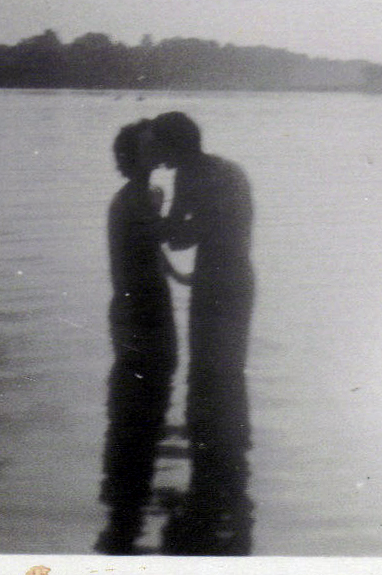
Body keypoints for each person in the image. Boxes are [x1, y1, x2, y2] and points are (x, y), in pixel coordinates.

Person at [146, 112, 255, 553]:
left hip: (214, 284)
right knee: (228, 377)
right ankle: (228, 472)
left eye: (159, 146)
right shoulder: (229, 170)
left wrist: (151, 221)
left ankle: (217, 469)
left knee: (205, 380)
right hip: (239, 279)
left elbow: (181, 238)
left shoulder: (190, 178)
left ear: (173, 148)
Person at [95, 119, 178, 554]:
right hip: (139, 309)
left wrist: (177, 273)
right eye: (148, 146)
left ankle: (125, 502)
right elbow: (158, 236)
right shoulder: (136, 200)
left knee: (139, 399)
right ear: (132, 155)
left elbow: (150, 248)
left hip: (142, 305)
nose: (156, 150)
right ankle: (126, 509)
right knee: (145, 394)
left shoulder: (135, 198)